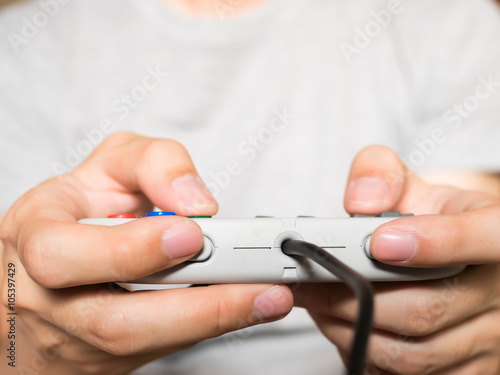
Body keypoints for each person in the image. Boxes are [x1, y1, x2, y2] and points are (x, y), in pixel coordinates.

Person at [1, 0, 500, 374]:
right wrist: (15, 351)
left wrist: (470, 328)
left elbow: (454, 240)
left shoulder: (445, 18)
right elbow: (14, 294)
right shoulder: (18, 51)